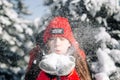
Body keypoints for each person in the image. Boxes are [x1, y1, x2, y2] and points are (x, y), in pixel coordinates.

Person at [25, 16, 91, 80]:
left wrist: (69, 75)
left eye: (62, 39)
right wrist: (46, 74)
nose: (57, 43)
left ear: (69, 43)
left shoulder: (79, 61)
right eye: (52, 39)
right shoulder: (37, 61)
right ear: (48, 43)